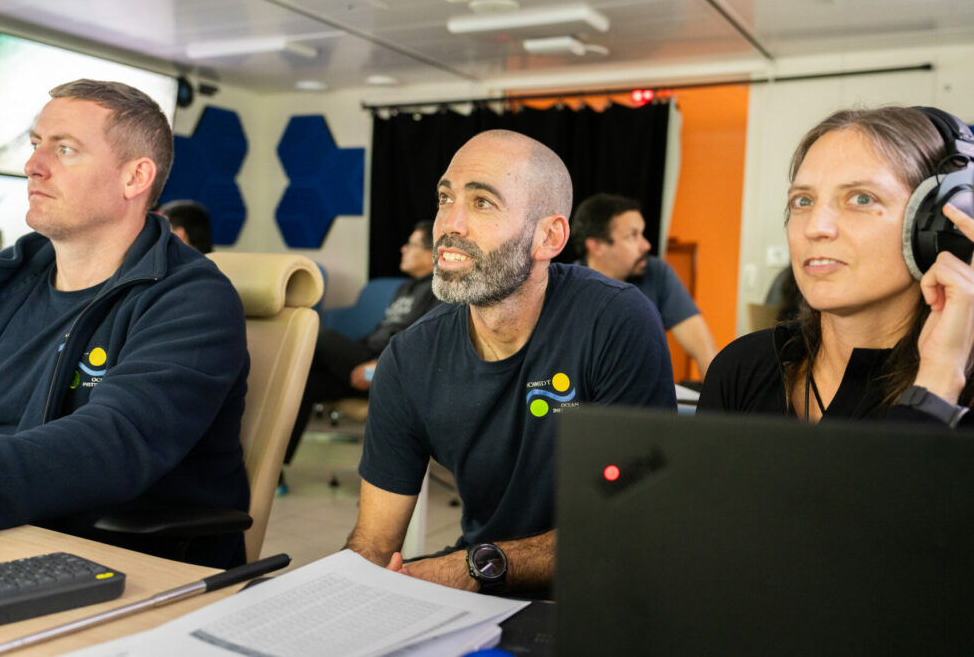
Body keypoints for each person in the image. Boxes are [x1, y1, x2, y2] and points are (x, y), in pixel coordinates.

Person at [345, 130, 676, 595]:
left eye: (482, 203)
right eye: (446, 198)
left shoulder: (616, 319)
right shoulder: (409, 357)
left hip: (602, 593)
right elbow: (374, 546)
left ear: (549, 237)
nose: (449, 224)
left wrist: (468, 568)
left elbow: (630, 525)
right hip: (481, 586)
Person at [0, 79, 250, 568]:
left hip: (113, 562)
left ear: (135, 178)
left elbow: (110, 446)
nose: (33, 166)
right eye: (35, 145)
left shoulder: (192, 301)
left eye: (65, 149)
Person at [699, 106, 974, 426]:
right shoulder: (742, 368)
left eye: (861, 199)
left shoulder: (959, 388)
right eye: (803, 201)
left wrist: (937, 384)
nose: (816, 227)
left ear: (941, 224)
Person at [281, 220, 439, 468]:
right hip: (365, 358)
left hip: (391, 370)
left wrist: (375, 368)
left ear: (432, 254)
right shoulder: (405, 289)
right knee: (305, 383)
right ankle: (276, 468)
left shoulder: (437, 291)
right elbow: (379, 334)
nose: (403, 249)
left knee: (320, 337)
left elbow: (425, 346)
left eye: (411, 244)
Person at [571, 193, 717, 377]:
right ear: (596, 246)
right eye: (633, 236)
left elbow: (705, 352)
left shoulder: (657, 273)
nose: (646, 245)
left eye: (642, 234)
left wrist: (718, 401)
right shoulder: (570, 287)